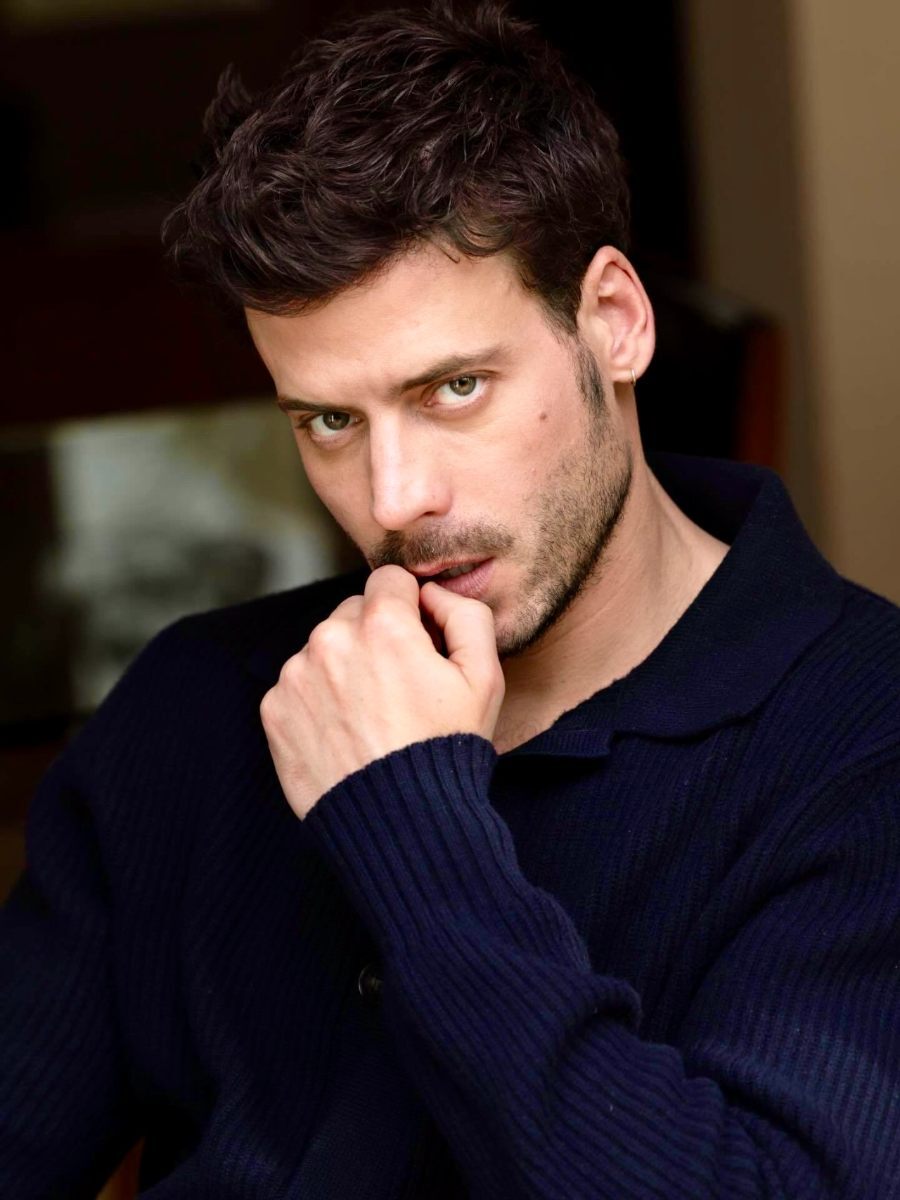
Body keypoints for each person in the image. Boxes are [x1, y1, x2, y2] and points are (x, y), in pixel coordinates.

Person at [2, 3, 899, 1197]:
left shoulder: (863, 742)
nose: (395, 499)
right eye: (330, 420)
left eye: (454, 389)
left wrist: (405, 825)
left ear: (613, 322)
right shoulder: (203, 701)